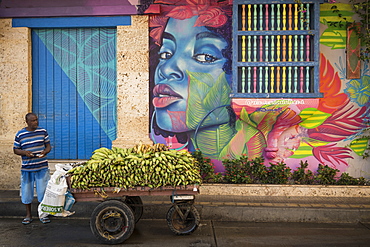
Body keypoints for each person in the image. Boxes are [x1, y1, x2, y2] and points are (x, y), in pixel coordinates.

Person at [14, 113, 52, 224]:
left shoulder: (43, 132)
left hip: (42, 167)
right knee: (26, 192)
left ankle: (43, 214)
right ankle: (28, 215)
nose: (35, 122)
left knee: (43, 191)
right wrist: (24, 152)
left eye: (36, 120)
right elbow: (15, 150)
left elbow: (48, 145)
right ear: (27, 122)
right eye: (33, 121)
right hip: (27, 168)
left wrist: (45, 151)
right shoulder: (20, 134)